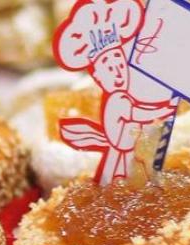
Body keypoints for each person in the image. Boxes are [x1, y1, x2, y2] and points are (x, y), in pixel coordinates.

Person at [53, 0, 178, 184]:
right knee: (116, 183)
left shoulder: (126, 94)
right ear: (98, 77)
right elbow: (138, 113)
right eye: (109, 69)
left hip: (128, 153)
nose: (117, 72)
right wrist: (163, 111)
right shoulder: (118, 99)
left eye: (119, 64)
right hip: (121, 155)